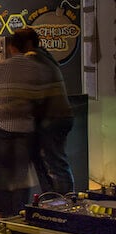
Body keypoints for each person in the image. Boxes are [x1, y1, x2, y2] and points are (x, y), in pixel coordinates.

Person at [0, 30, 43, 216]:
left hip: (2, 124)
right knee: (21, 172)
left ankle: (3, 210)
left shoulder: (1, 67)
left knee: (2, 169)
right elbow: (39, 99)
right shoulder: (37, 68)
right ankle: (19, 210)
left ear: (11, 47)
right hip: (26, 126)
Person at [30, 42, 75, 195]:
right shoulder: (45, 57)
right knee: (52, 161)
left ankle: (65, 204)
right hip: (60, 116)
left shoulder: (33, 58)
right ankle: (55, 200)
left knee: (55, 163)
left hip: (52, 117)